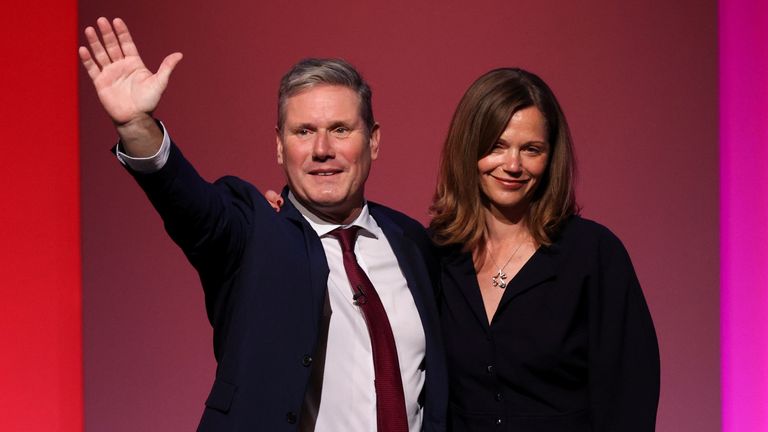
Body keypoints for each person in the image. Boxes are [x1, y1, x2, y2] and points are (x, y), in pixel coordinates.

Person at [79, 17, 446, 432]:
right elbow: (190, 207)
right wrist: (135, 126)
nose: (322, 149)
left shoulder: (414, 243)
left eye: (340, 129)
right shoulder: (252, 230)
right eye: (303, 131)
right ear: (278, 146)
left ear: (374, 140)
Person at [429, 68, 660, 431]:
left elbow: (629, 395)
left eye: (531, 149)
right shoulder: (435, 256)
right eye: (497, 146)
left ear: (551, 158)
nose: (513, 165)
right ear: (468, 149)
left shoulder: (594, 255)